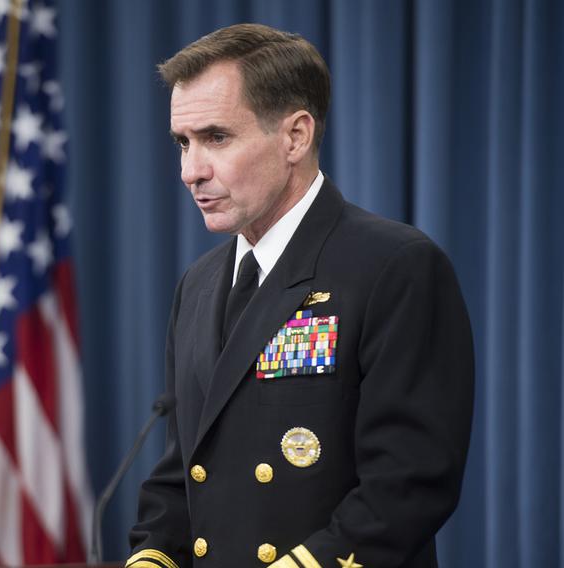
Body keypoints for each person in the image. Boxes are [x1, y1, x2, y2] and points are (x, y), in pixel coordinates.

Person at [126, 23, 474, 568]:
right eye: (182, 142)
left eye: (216, 137)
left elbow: (408, 485)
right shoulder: (197, 284)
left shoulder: (393, 265)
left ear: (295, 136)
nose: (191, 171)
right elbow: (185, 473)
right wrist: (151, 557)